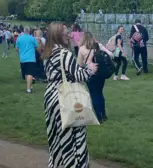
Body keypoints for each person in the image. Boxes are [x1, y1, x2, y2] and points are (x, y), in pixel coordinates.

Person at [43, 23, 98, 168]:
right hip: (64, 97)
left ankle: (55, 163)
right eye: (66, 34)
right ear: (57, 36)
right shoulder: (64, 54)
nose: (69, 36)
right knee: (74, 137)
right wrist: (90, 69)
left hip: (51, 95)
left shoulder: (49, 53)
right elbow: (79, 75)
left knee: (56, 136)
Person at [78, 32, 109, 122]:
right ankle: (104, 114)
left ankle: (99, 117)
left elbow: (80, 63)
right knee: (100, 93)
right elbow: (108, 54)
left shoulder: (82, 49)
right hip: (100, 72)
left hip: (90, 73)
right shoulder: (98, 46)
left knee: (94, 94)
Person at [16, 27, 39, 93]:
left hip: (23, 58)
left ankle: (30, 87)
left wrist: (20, 54)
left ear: (23, 31)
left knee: (26, 73)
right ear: (29, 31)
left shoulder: (19, 38)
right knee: (30, 73)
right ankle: (28, 89)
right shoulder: (32, 38)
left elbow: (17, 49)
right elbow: (37, 47)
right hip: (31, 58)